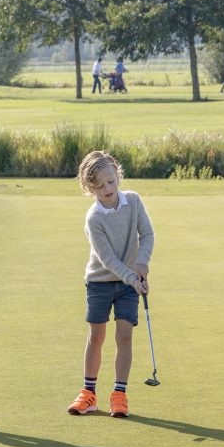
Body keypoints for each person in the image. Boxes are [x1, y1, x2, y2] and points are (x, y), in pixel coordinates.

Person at [67, 151, 155, 419]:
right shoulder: (94, 219)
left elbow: (148, 234)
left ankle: (119, 394)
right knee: (96, 336)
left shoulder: (135, 201)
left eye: (111, 181)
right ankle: (89, 394)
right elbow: (107, 259)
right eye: (98, 185)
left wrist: (142, 264)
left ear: (118, 176)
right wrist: (131, 277)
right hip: (100, 282)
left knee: (124, 336)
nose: (107, 188)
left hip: (130, 281)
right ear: (89, 187)